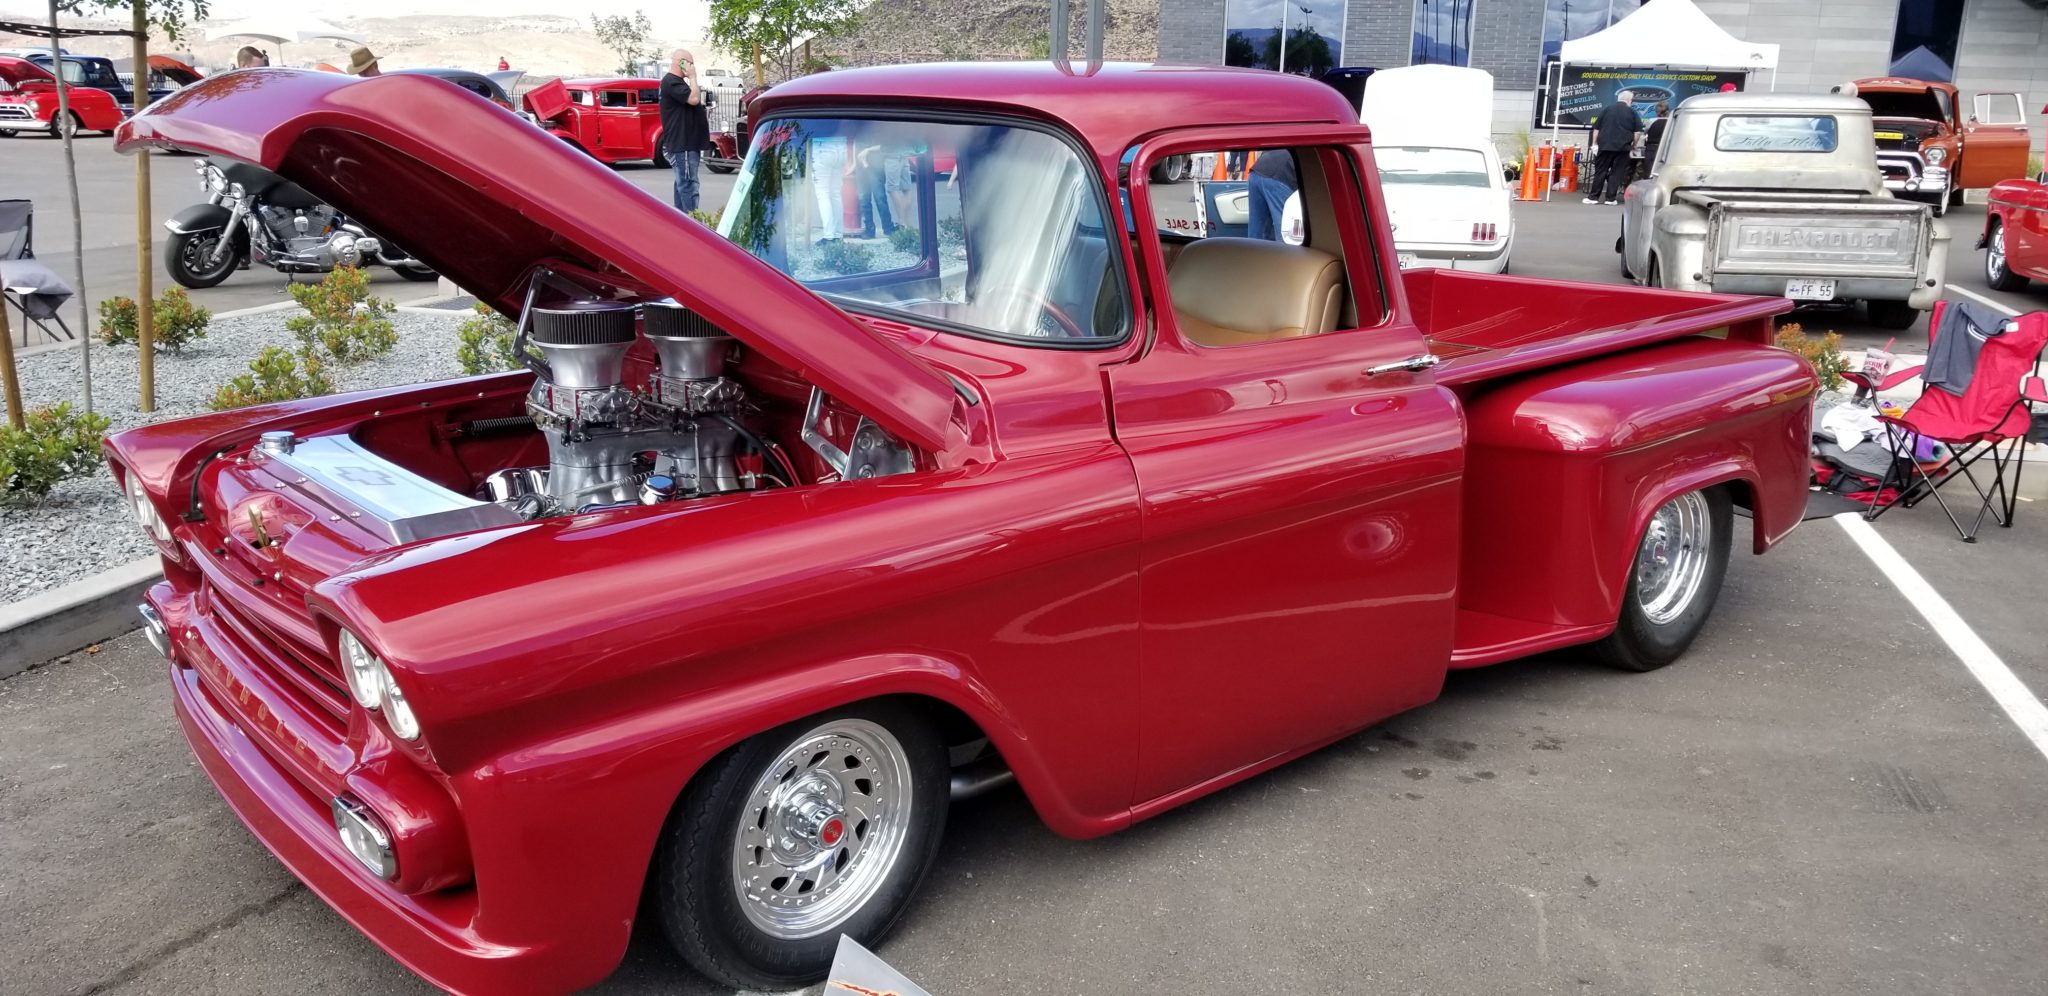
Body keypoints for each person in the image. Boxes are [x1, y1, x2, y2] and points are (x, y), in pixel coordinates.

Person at [658, 49, 709, 213]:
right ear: (682, 62)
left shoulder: (675, 83)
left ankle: (681, 222)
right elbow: (694, 99)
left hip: (685, 144)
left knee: (682, 185)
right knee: (688, 185)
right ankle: (693, 225)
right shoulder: (671, 81)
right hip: (683, 144)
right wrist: (693, 77)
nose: (693, 67)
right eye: (691, 63)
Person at [1584, 89, 1640, 205]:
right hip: (1623, 148)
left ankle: (1593, 197)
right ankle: (1611, 199)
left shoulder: (1607, 109)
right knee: (1617, 173)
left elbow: (1596, 129)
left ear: (1618, 99)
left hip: (1605, 146)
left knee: (1601, 171)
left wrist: (1594, 144)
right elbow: (1637, 133)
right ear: (1629, 100)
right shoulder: (1632, 112)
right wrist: (1633, 145)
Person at [1246, 148, 1297, 242]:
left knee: (1257, 228)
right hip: (1279, 177)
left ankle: (1254, 255)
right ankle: (1284, 255)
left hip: (1256, 171)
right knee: (1284, 229)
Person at [1636, 100, 1670, 183]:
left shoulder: (1652, 121)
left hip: (1652, 148)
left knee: (1648, 171)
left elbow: (1645, 133)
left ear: (1657, 111)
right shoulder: (1671, 122)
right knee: (1662, 171)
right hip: (1665, 149)